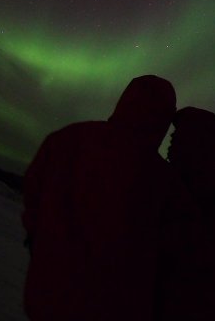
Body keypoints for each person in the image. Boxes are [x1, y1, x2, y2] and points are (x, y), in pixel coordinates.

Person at [22, 75, 183, 321]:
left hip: (48, 295)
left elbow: (34, 196)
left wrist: (40, 242)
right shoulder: (163, 179)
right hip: (116, 309)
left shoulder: (68, 139)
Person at [157, 107, 215, 321]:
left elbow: (196, 276)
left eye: (179, 134)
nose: (171, 138)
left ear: (197, 144)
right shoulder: (201, 193)